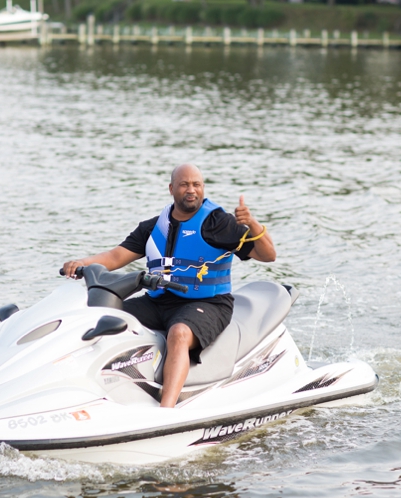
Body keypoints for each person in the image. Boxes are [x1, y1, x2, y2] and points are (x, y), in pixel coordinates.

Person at [62, 164, 276, 408]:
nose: (191, 190)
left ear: (203, 188)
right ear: (172, 188)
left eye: (197, 184)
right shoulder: (154, 227)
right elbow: (114, 257)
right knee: (103, 318)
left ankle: (166, 411)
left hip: (208, 303)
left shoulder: (219, 223)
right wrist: (81, 263)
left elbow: (268, 255)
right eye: (184, 184)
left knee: (179, 333)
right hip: (159, 301)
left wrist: (253, 224)